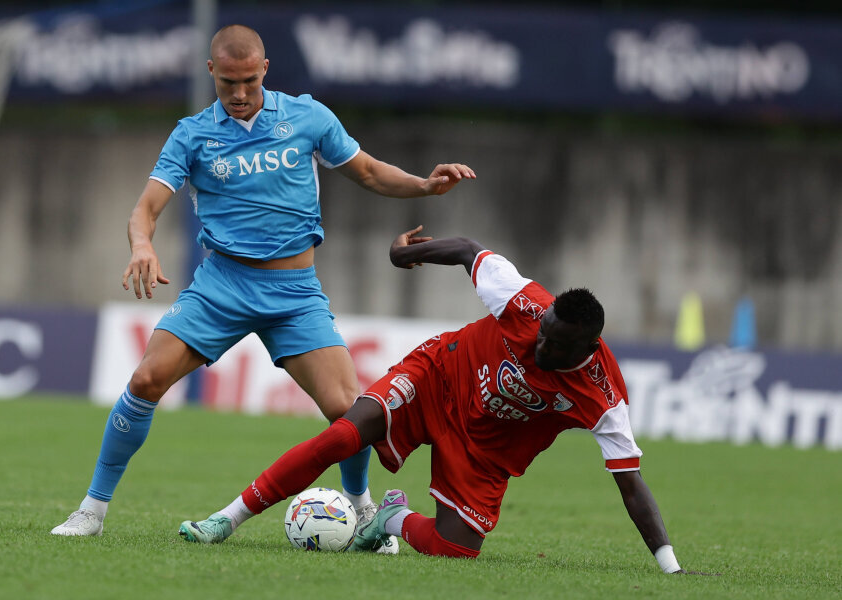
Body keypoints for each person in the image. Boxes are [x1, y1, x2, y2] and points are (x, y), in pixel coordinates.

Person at [50, 24, 475, 549]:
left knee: (352, 410)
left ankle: (363, 510)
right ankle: (92, 509)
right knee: (145, 380)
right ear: (212, 73)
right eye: (228, 82)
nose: (240, 93)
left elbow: (365, 171)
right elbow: (146, 209)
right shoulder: (191, 134)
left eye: (249, 80)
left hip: (294, 293)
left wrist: (424, 186)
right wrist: (142, 244)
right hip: (221, 285)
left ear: (265, 70)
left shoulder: (307, 117)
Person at [177, 225, 710, 575]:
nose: (538, 344)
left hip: (484, 451)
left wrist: (670, 566)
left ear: (587, 348)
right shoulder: (525, 302)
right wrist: (404, 253)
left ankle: (386, 520)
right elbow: (466, 250)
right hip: (437, 377)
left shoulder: (603, 394)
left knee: (455, 550)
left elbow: (631, 485)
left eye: (553, 345)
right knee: (345, 431)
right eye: (541, 331)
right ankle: (226, 519)